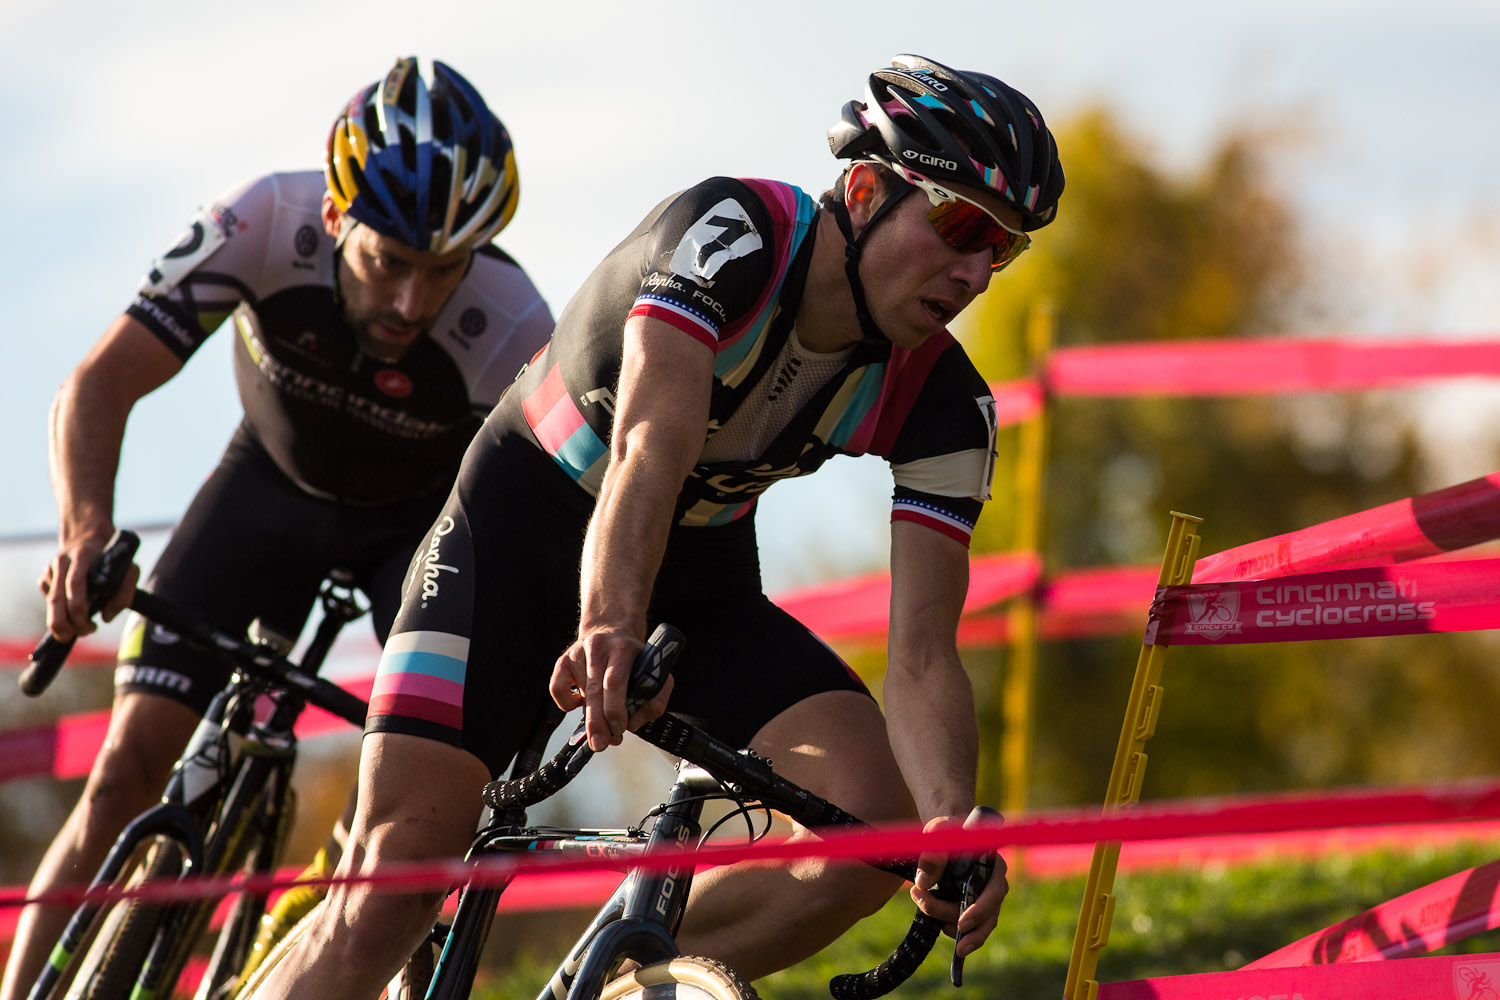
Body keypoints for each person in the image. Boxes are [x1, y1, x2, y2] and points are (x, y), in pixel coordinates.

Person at [244, 53, 1065, 997]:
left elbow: (924, 653)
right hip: (513, 534)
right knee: (387, 896)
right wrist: (607, 626)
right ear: (868, 188)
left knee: (866, 823)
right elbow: (645, 448)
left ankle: (600, 983)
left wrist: (949, 823)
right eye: (961, 223)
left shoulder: (949, 408)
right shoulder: (735, 236)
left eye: (1001, 249)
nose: (974, 272)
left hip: (693, 575)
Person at [2, 57, 554, 1000]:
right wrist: (85, 530)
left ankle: (350, 904)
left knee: (425, 797)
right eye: (390, 262)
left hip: (412, 539)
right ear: (337, 217)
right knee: (125, 770)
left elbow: (542, 524)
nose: (414, 304)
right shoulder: (263, 218)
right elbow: (98, 383)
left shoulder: (516, 322)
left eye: (443, 270)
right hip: (264, 493)